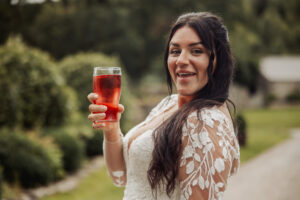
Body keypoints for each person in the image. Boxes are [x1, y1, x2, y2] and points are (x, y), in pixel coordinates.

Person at [87, 12, 240, 200]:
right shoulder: (168, 104)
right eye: (175, 51)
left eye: (196, 51)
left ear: (217, 60)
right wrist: (111, 130)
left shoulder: (205, 122)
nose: (181, 60)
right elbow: (123, 175)